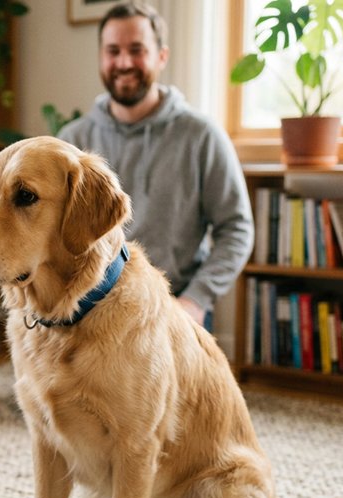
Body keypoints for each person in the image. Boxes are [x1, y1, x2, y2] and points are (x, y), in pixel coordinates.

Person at [57, 1, 253, 330]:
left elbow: (236, 228)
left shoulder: (201, 135)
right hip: (86, 310)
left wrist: (196, 300)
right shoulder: (71, 141)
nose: (124, 62)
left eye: (137, 50)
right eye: (113, 51)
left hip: (171, 309)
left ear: (162, 56)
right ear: (101, 57)